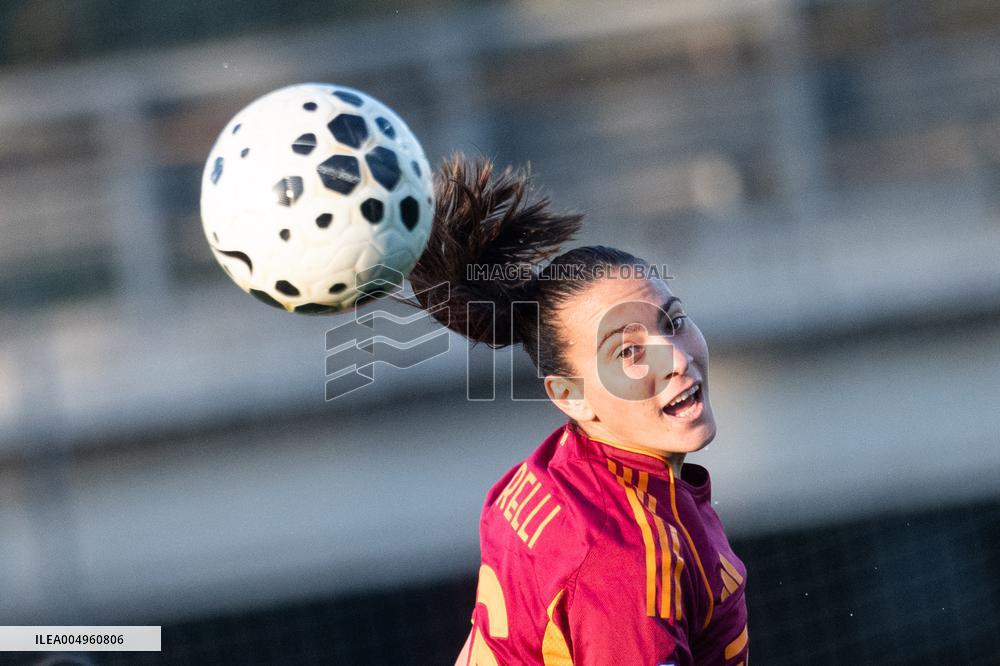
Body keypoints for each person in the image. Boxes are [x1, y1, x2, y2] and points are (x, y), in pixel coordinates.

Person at [407, 154, 749, 665]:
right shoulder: (623, 560)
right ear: (570, 397)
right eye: (628, 353)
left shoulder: (561, 469)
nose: (676, 358)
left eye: (673, 321)